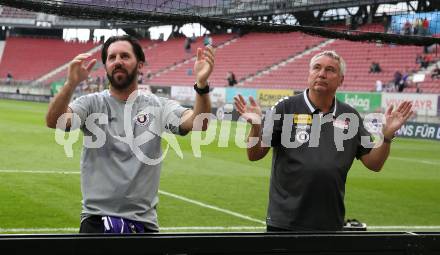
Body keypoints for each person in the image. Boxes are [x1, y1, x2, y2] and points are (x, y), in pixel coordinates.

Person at [46, 35, 215, 233]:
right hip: (97, 222)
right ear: (106, 65)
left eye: (125, 56)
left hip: (144, 226)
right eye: (112, 57)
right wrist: (70, 84)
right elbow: (54, 121)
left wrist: (202, 85)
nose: (117, 61)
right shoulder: (91, 104)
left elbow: (199, 123)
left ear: (140, 64)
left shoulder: (158, 105)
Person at [234, 51, 413, 231]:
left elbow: (374, 163)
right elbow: (254, 154)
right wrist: (256, 127)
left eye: (330, 70)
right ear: (309, 74)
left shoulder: (349, 116)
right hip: (285, 223)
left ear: (341, 80)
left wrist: (387, 136)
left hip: (330, 223)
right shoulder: (286, 108)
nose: (321, 74)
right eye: (316, 68)